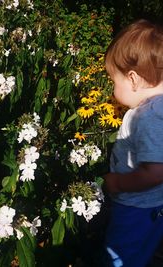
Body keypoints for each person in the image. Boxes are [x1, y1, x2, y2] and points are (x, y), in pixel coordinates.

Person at [103, 19, 163, 267]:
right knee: (142, 250)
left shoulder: (147, 117)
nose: (112, 89)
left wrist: (118, 182)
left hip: (136, 209)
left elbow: (156, 171)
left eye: (113, 81)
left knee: (121, 256)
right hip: (155, 207)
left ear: (133, 79)